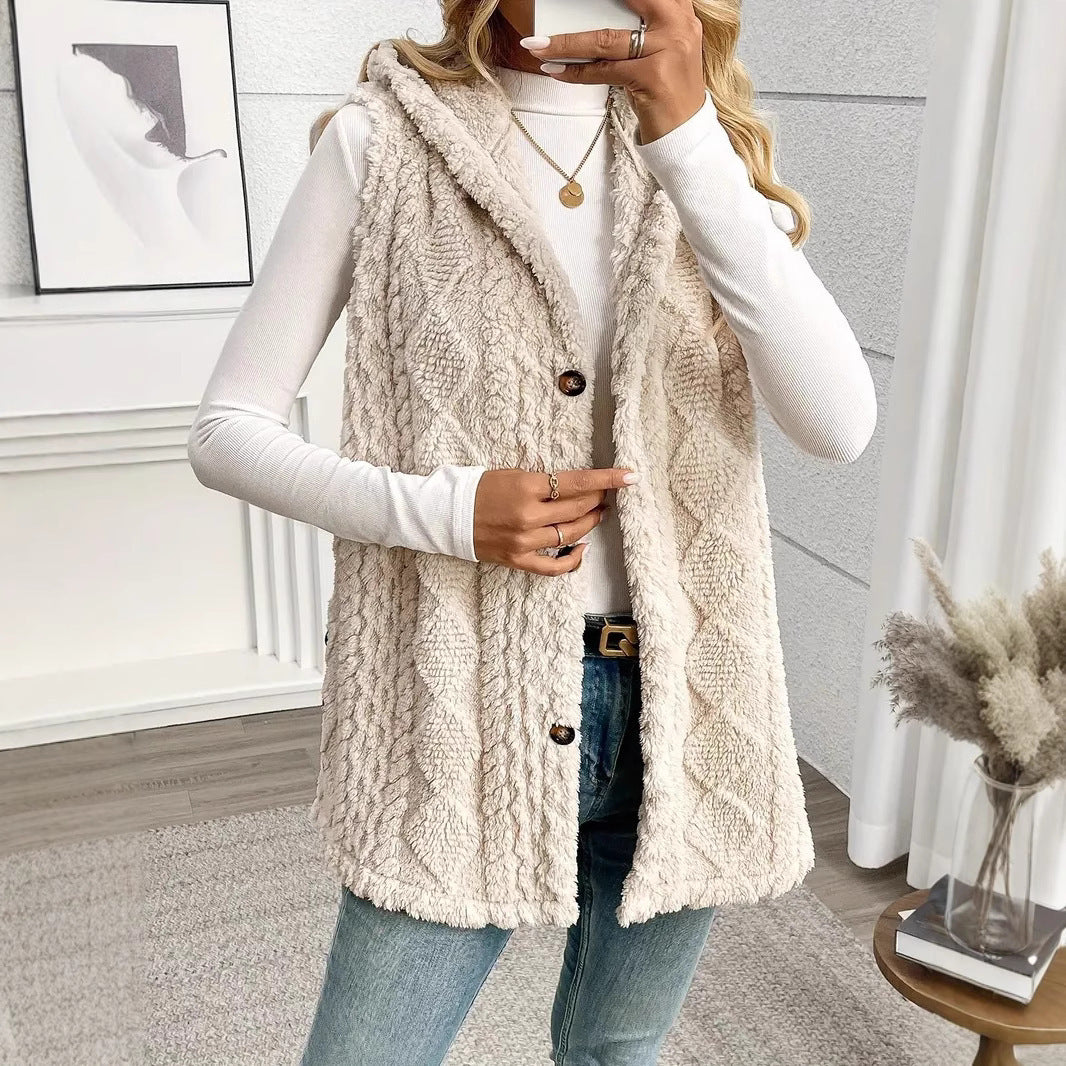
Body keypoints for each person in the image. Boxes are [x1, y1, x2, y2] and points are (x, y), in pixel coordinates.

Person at [187, 1, 877, 1062]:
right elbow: (226, 432)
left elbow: (837, 424)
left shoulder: (703, 152)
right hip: (461, 700)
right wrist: (448, 510)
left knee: (614, 1053)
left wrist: (686, 132)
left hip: (686, 708)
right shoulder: (382, 143)